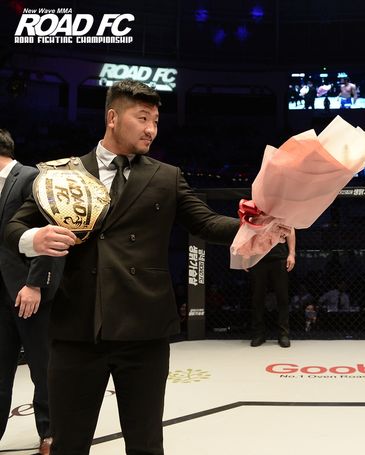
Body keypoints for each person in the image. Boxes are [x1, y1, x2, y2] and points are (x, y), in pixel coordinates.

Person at [4, 80, 289, 455]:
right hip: (77, 330)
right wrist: (35, 238)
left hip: (144, 330)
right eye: (142, 118)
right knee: (69, 445)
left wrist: (258, 227)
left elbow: (205, 222)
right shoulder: (63, 173)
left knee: (146, 445)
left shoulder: (166, 176)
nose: (151, 129)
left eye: (155, 121)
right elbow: (13, 226)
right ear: (112, 118)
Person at [0, 129, 64, 455]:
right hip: (0, 292)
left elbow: (50, 232)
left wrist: (35, 283)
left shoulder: (30, 177)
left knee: (42, 366)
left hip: (28, 290)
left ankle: (50, 433)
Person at [249, 228, 295, 348]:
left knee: (282, 296)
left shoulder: (282, 215)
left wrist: (291, 254)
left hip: (279, 256)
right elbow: (247, 231)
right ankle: (258, 334)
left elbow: (290, 230)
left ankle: (284, 334)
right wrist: (245, 255)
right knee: (257, 297)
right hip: (257, 257)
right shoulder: (254, 215)